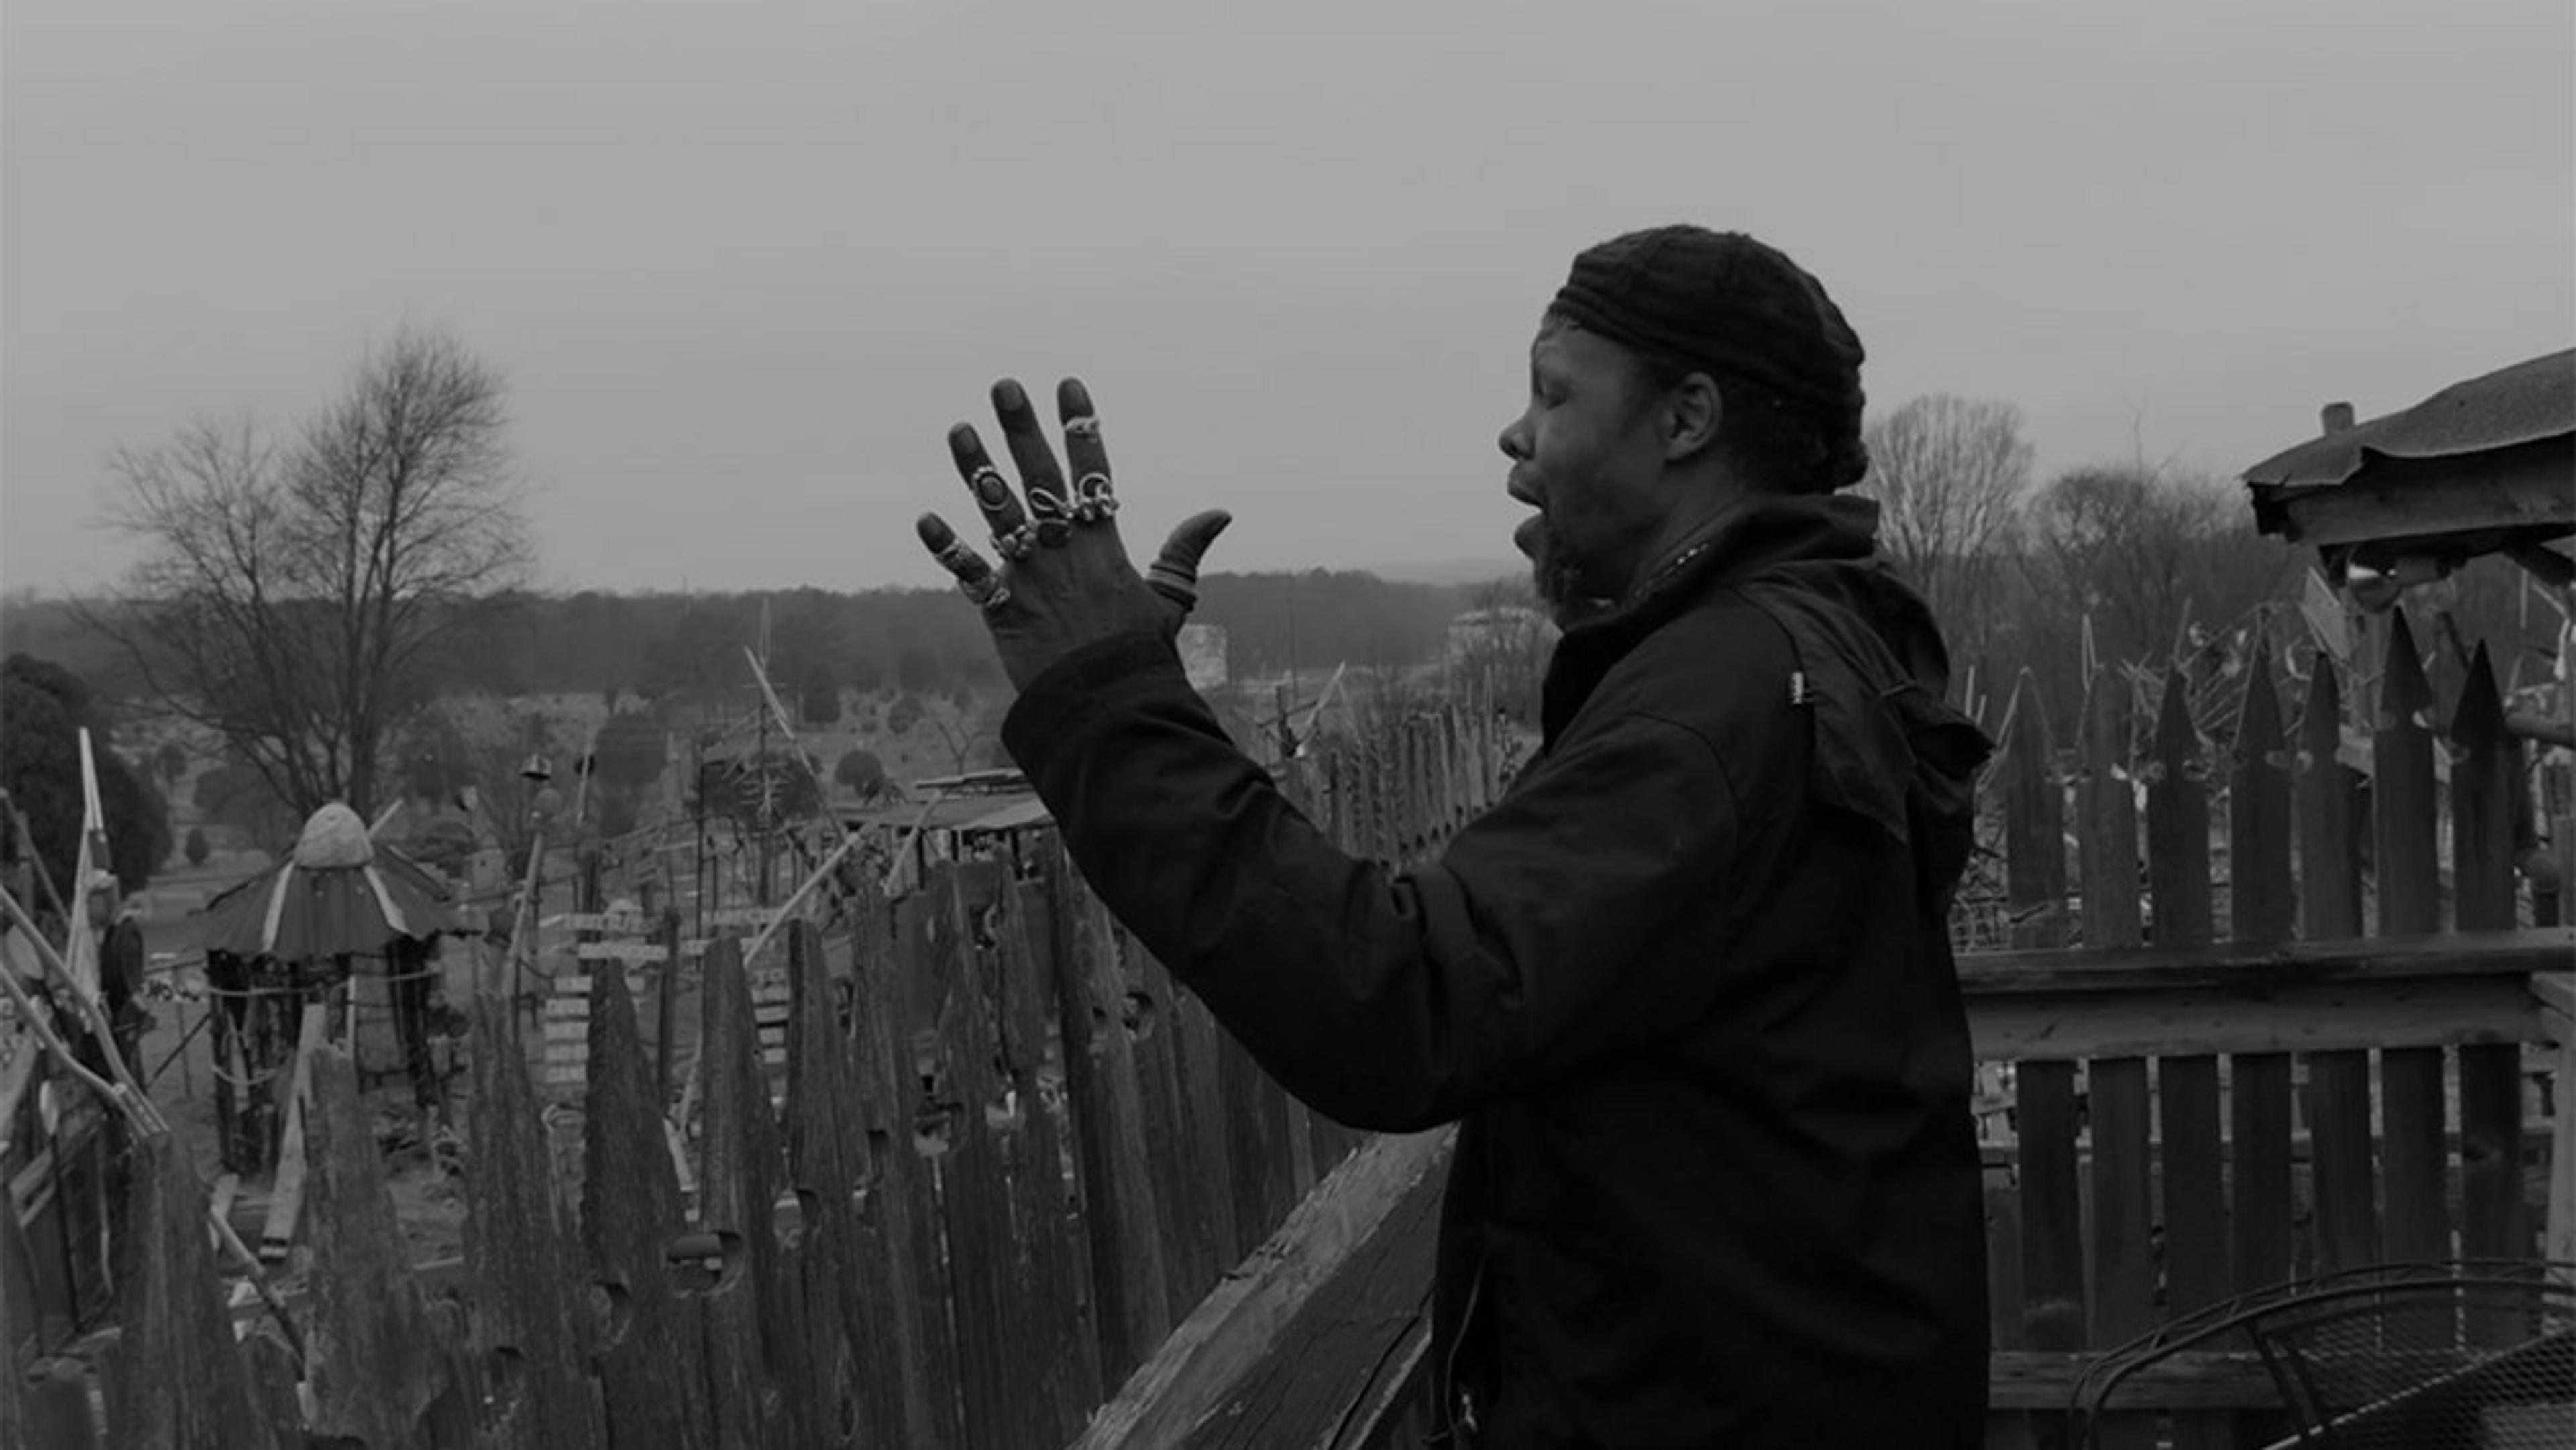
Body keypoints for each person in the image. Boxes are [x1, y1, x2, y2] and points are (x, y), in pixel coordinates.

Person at [913, 225, 1992, 1447]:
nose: (1515, 435)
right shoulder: (1811, 642)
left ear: (1686, 418)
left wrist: (1113, 701)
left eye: (1553, 393)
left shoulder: (1722, 699)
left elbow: (1398, 997)